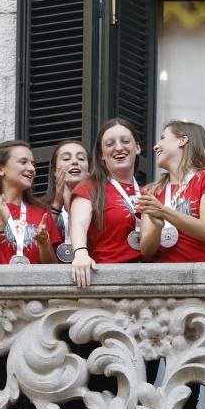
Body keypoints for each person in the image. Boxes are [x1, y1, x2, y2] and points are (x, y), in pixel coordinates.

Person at [137, 121, 205, 263]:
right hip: (166, 279)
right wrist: (157, 227)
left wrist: (163, 212)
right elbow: (146, 252)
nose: (156, 146)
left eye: (163, 138)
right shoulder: (151, 191)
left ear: (182, 140)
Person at [69, 118, 146, 287]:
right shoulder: (90, 187)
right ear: (101, 155)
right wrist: (81, 253)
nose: (119, 147)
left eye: (125, 141)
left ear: (138, 148)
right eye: (110, 144)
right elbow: (79, 224)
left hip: (146, 278)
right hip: (108, 277)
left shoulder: (149, 192)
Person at [43, 140, 89, 262]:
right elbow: (35, 245)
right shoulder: (39, 206)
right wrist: (57, 205)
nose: (75, 162)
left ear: (89, 170)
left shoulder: (100, 205)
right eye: (66, 158)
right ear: (54, 170)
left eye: (81, 158)